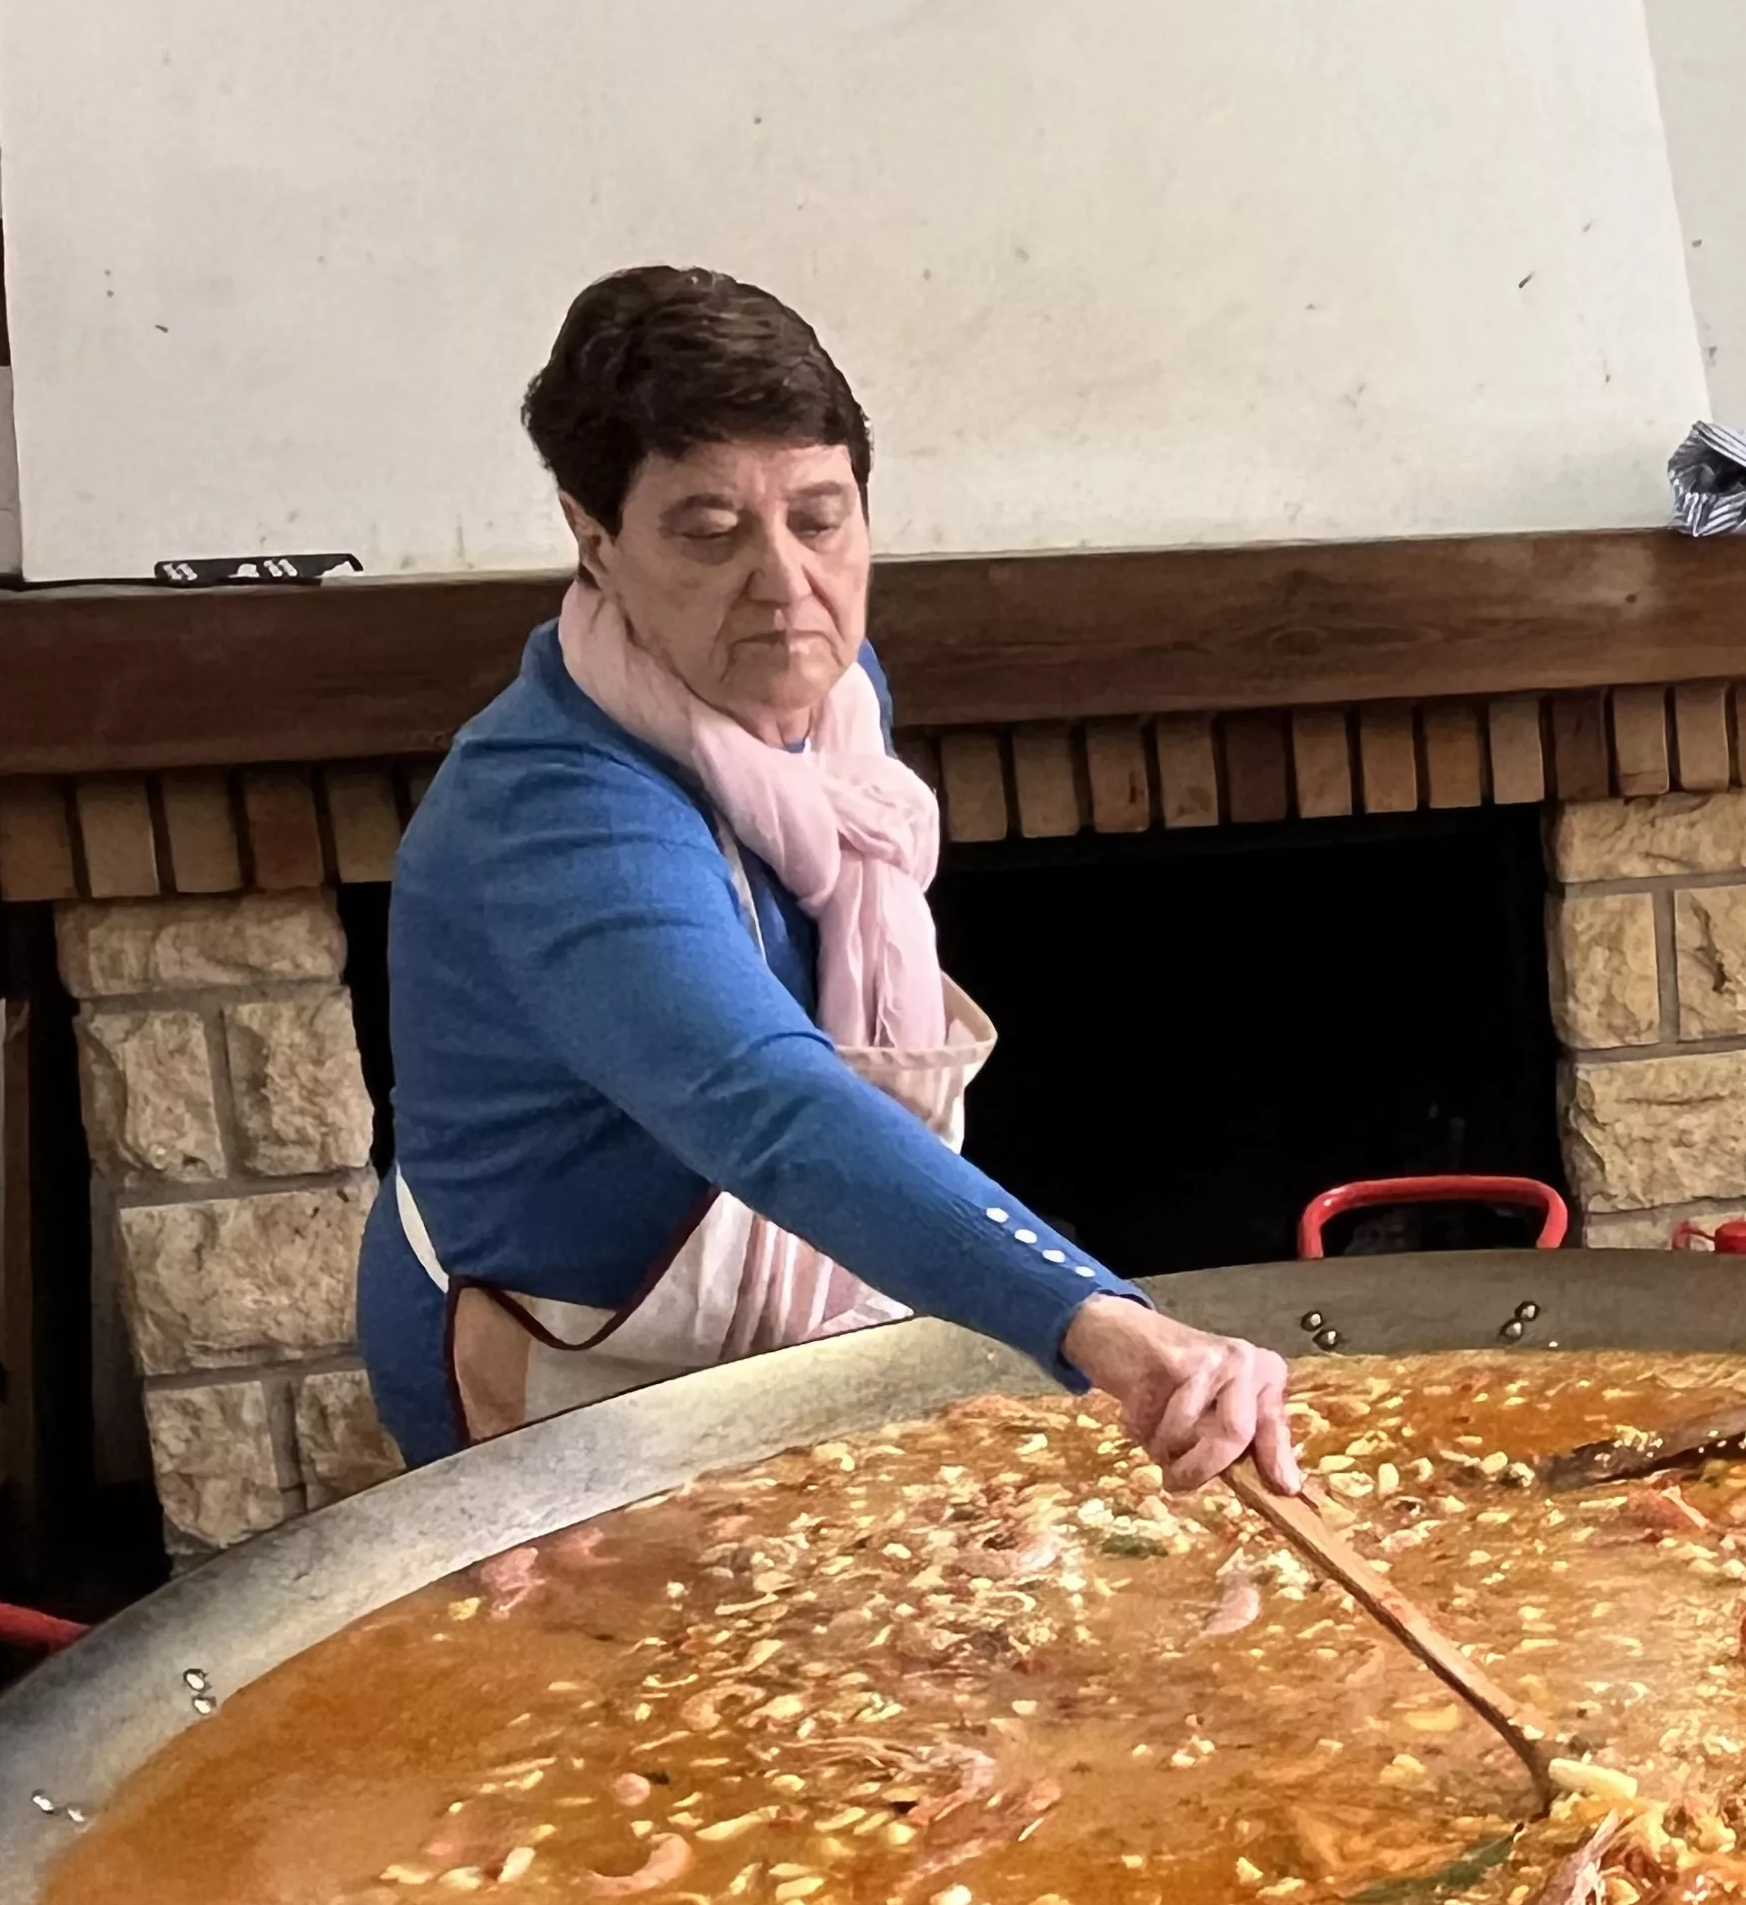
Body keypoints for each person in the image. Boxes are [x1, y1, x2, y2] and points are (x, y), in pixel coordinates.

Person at [355, 266, 1298, 1492]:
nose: (787, 584)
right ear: (595, 541)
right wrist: (1105, 1320)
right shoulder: (554, 808)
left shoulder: (836, 703)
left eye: (820, 516)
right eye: (709, 531)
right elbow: (768, 1101)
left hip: (780, 1334)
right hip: (558, 1371)